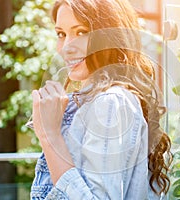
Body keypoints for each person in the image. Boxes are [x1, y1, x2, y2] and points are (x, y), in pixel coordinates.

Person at [30, 0, 172, 199]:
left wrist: (50, 136)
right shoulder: (94, 102)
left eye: (81, 32)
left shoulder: (110, 102)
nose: (66, 47)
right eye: (61, 34)